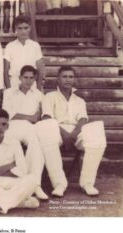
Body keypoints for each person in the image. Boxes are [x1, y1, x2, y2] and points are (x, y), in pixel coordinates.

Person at [36, 66, 107, 197]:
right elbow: (47, 117)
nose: (68, 80)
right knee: (46, 127)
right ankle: (59, 184)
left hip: (75, 132)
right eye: (64, 76)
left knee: (97, 131)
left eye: (70, 77)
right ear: (58, 79)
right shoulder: (49, 97)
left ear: (74, 79)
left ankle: (87, 183)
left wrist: (73, 134)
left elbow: (82, 120)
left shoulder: (80, 101)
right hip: (56, 130)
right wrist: (64, 134)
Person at [3, 65, 48, 200]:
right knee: (13, 147)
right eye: (25, 77)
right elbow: (8, 114)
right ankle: (20, 183)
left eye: (31, 78)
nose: (28, 81)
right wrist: (30, 116)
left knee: (36, 145)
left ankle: (35, 184)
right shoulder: (9, 93)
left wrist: (31, 117)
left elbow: (39, 116)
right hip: (11, 126)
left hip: (29, 127)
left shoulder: (39, 95)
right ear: (20, 78)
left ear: (35, 79)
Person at [4, 15, 44, 91]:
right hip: (14, 83)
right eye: (20, 28)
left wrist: (38, 89)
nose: (23, 31)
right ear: (16, 28)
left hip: (31, 83)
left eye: (26, 28)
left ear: (30, 28)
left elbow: (40, 70)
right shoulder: (10, 46)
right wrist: (9, 90)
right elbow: (5, 72)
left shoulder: (35, 46)